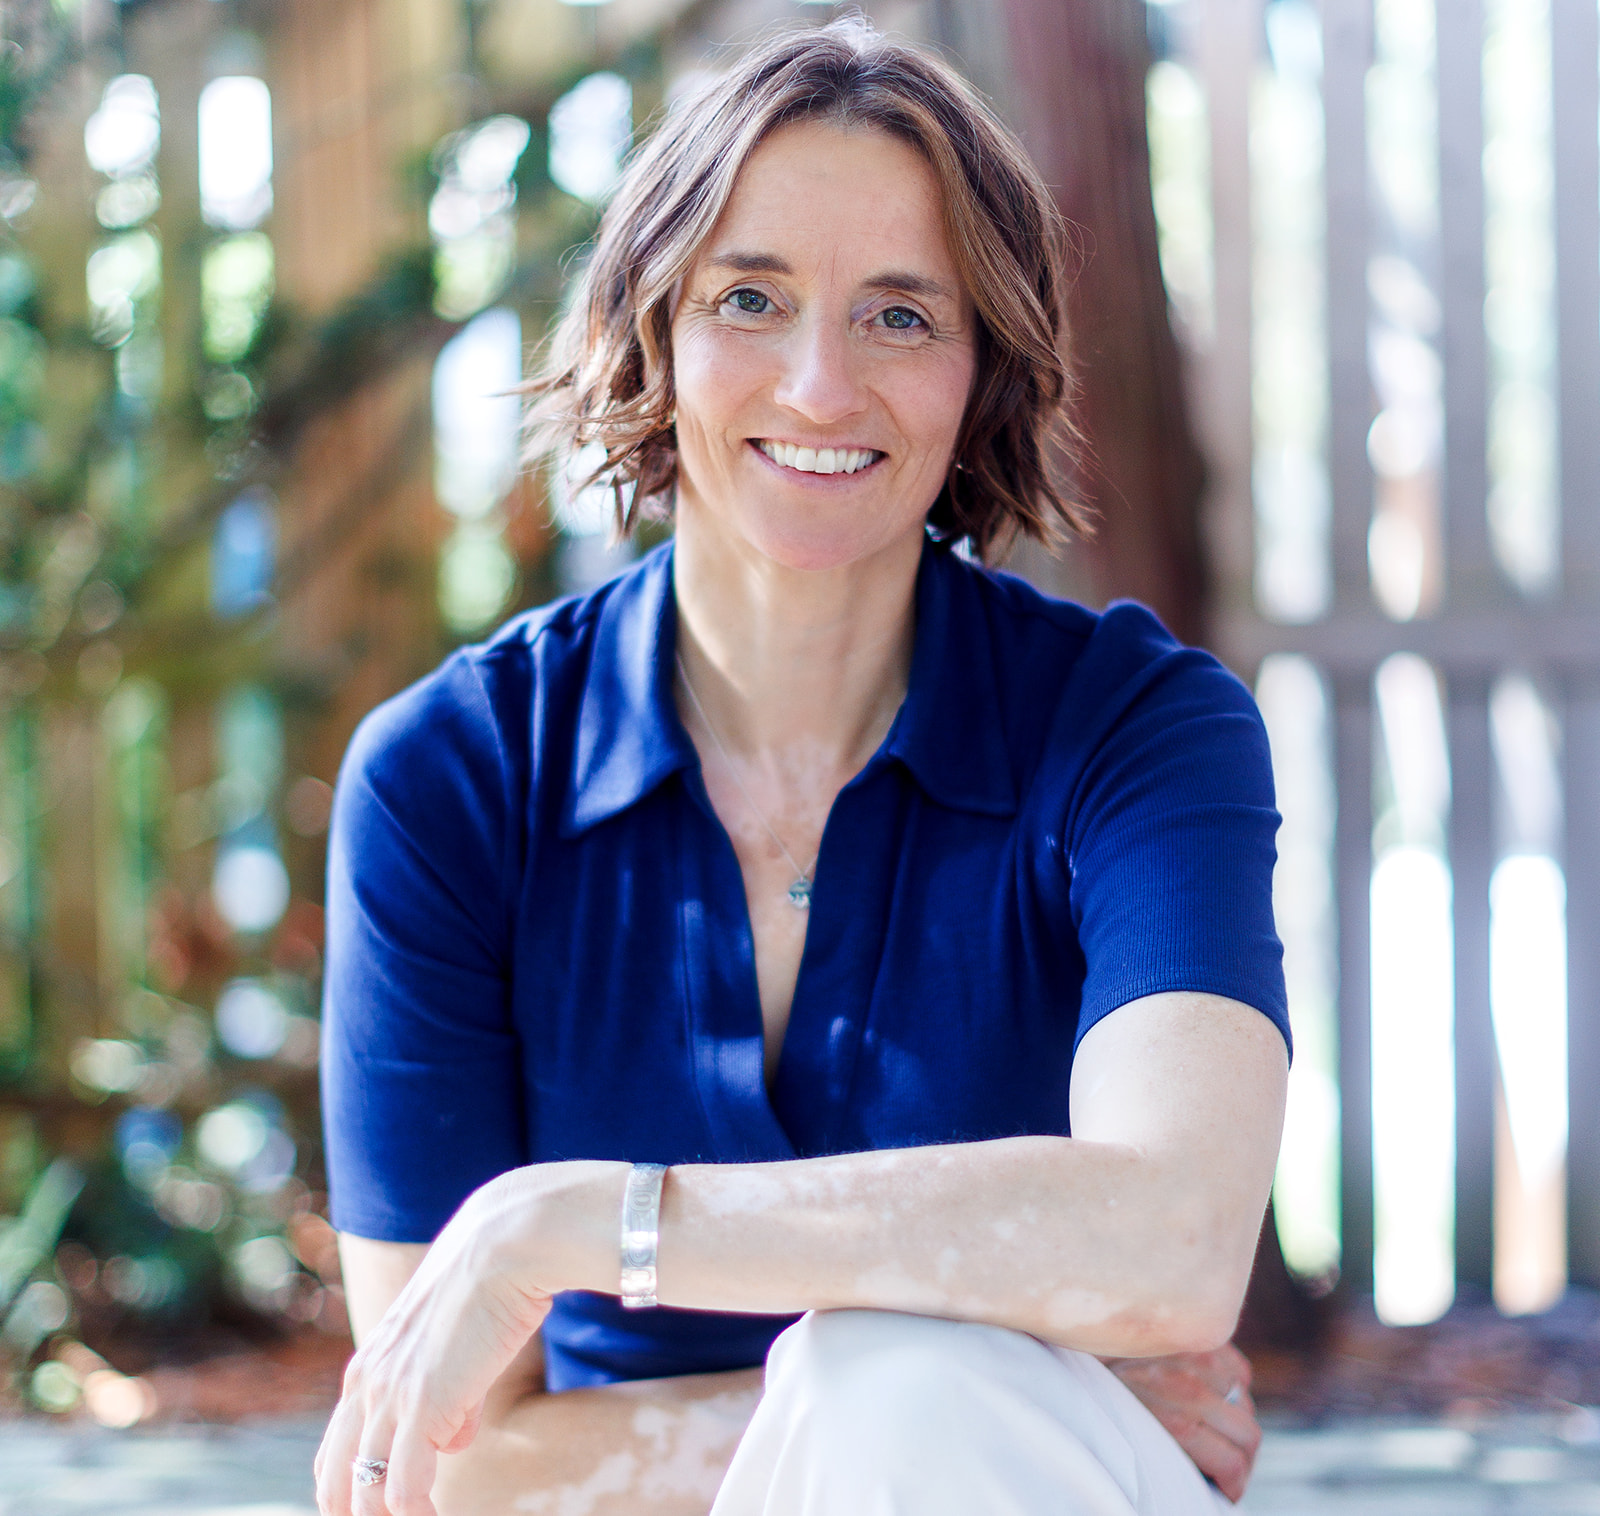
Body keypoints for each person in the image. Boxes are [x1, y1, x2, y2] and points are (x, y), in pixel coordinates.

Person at [314, 20, 1290, 1516]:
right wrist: (1012, 1378)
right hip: (1003, 1465)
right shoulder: (450, 777)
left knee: (905, 1391)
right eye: (749, 300)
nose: (823, 387)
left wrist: (601, 1224)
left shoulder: (1140, 732)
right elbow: (437, 1460)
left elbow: (1175, 1243)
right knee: (905, 1388)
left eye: (902, 316)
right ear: (651, 332)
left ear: (985, 367)